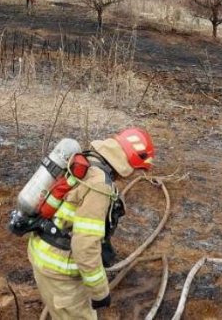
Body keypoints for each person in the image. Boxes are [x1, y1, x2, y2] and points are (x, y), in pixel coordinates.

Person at [28, 128, 155, 320]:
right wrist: (100, 292)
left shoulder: (88, 159)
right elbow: (85, 246)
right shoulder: (100, 186)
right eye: (136, 169)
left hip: (42, 253)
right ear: (130, 161)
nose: (132, 175)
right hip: (60, 271)